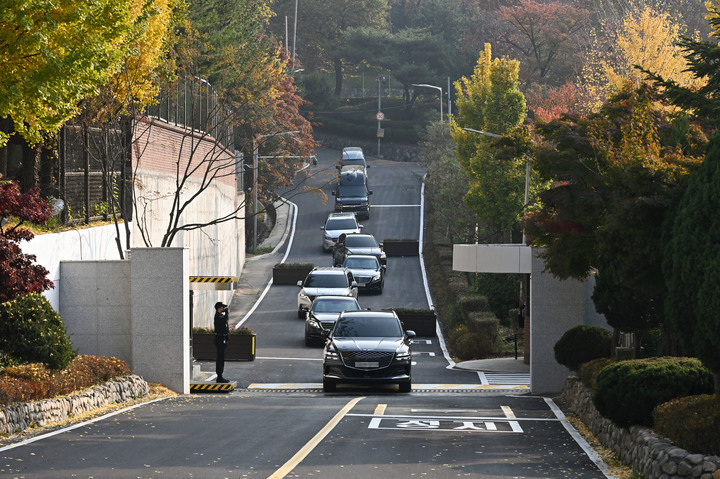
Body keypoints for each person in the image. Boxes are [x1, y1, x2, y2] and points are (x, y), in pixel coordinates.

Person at [214, 301, 230, 383]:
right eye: (222, 307)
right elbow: (225, 320)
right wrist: (227, 313)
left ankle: (220, 375)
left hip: (222, 338)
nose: (223, 309)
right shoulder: (218, 316)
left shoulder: (220, 316)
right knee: (220, 358)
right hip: (219, 339)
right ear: (219, 308)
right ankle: (219, 376)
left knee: (222, 357)